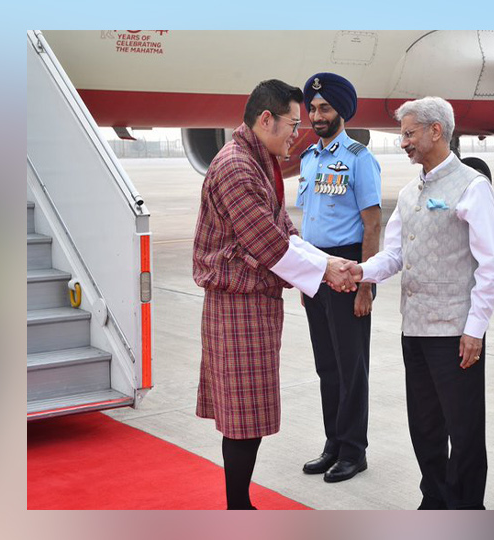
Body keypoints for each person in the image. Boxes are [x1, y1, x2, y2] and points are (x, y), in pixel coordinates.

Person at [192, 79, 358, 510]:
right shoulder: (235, 166)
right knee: (244, 417)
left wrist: (325, 263)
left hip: (254, 305)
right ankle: (237, 506)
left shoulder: (257, 160)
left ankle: (239, 503)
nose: (296, 133)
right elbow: (267, 243)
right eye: (292, 123)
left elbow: (284, 229)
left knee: (250, 413)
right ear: (266, 119)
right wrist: (327, 271)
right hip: (237, 306)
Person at [350, 96, 494, 510]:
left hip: (455, 332)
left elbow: (491, 267)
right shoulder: (408, 193)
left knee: (465, 428)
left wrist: (475, 329)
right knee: (425, 425)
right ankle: (434, 498)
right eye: (402, 134)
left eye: (408, 133)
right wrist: (359, 272)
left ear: (436, 131)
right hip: (414, 330)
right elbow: (395, 255)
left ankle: (467, 507)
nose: (403, 142)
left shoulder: (473, 187)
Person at [296, 72, 383, 483]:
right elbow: (309, 222)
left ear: (341, 112)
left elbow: (372, 225)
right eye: (312, 109)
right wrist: (305, 278)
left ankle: (354, 450)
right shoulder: (308, 159)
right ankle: (333, 443)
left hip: (348, 269)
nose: (316, 115)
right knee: (326, 366)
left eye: (324, 108)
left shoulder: (359, 159)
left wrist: (367, 285)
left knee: (352, 367)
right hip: (316, 271)